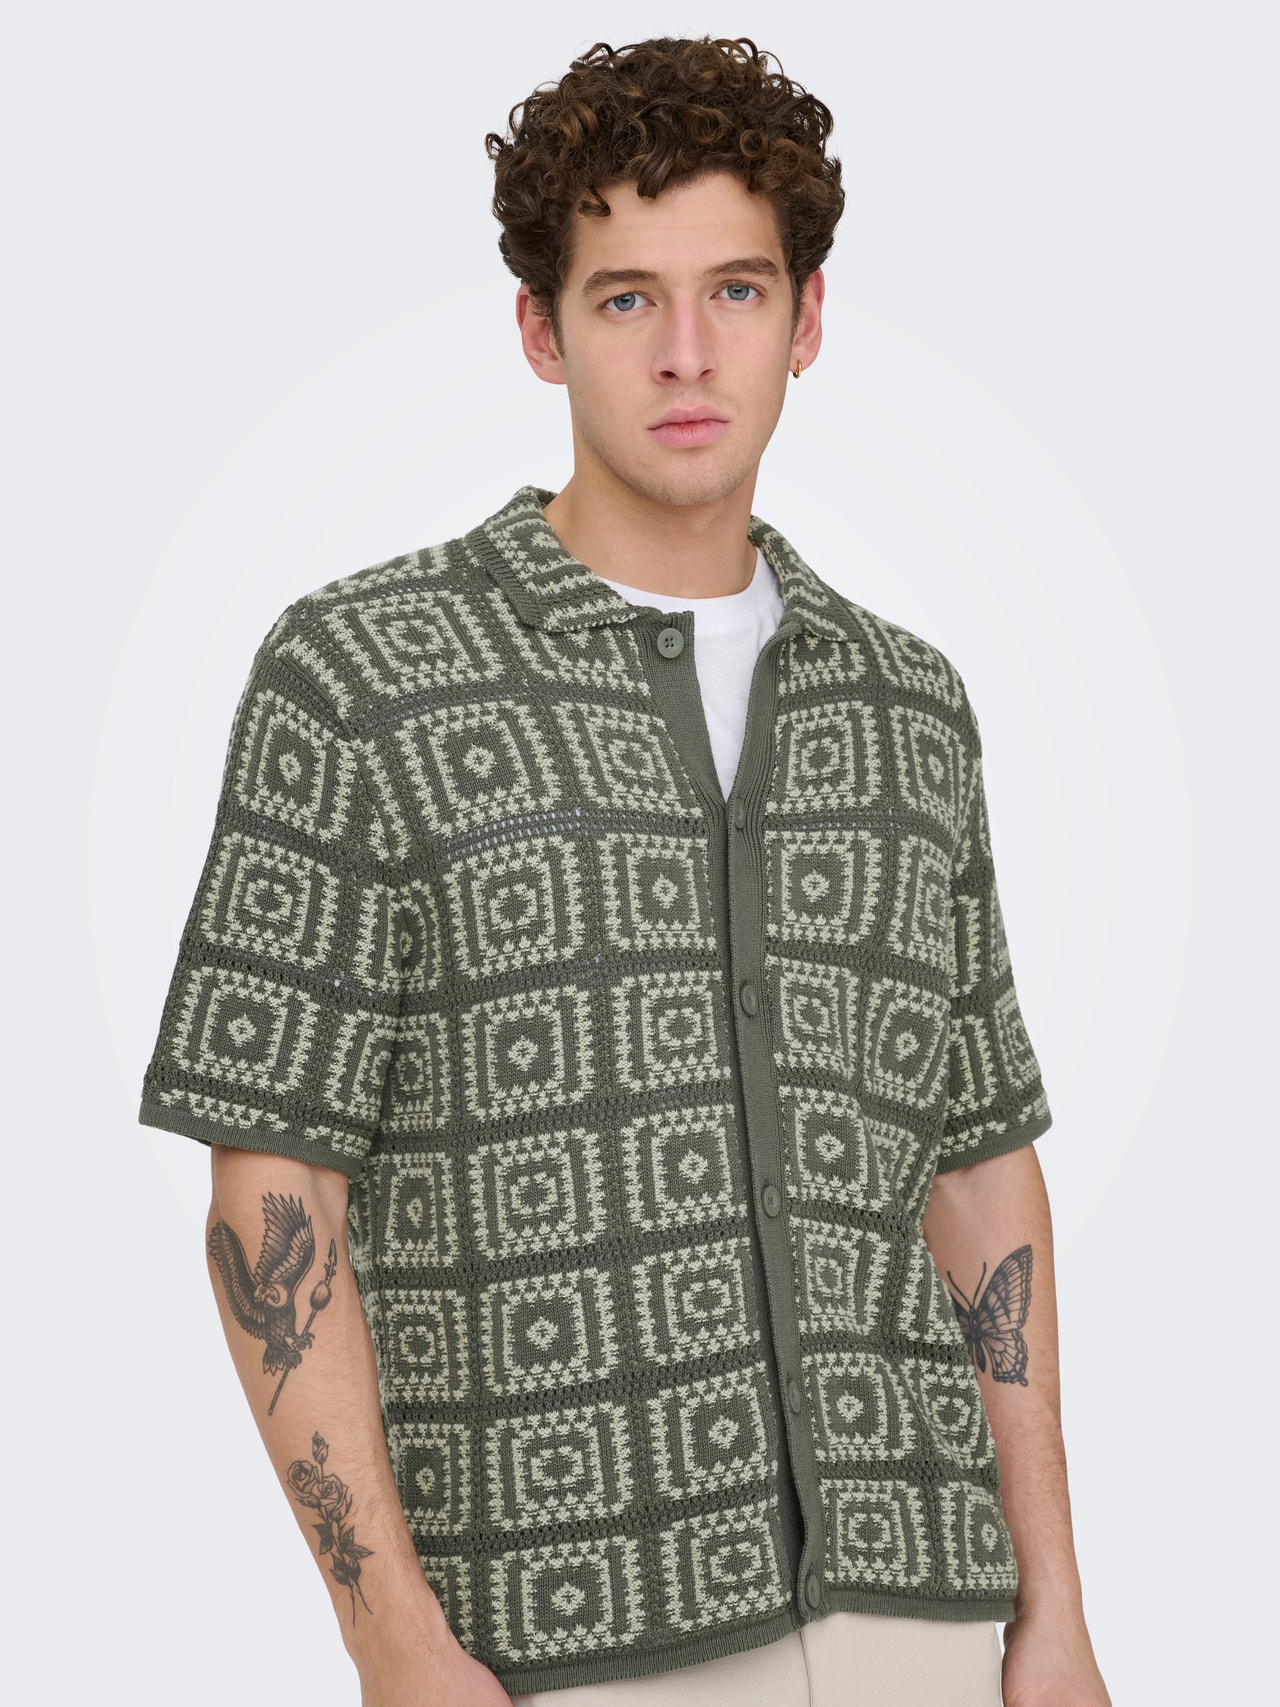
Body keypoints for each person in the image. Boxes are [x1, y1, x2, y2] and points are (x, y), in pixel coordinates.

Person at [138, 35, 1110, 1707]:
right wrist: (394, 1642)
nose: (686, 353)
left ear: (807, 318)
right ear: (541, 329)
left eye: (735, 292)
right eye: (624, 299)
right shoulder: (363, 678)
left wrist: (1055, 1613)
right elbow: (273, 1188)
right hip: (557, 1641)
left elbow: (977, 1171)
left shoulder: (907, 706)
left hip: (922, 1614)